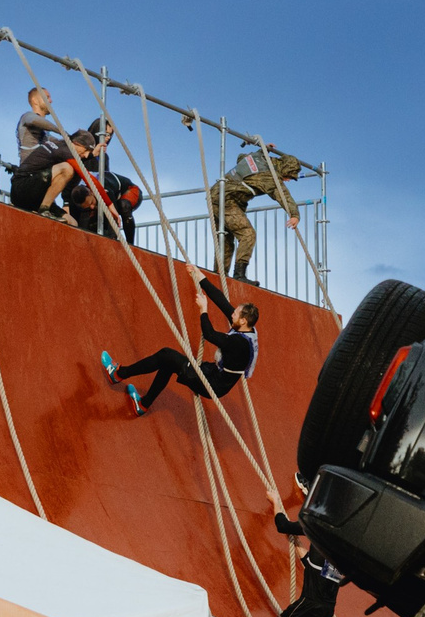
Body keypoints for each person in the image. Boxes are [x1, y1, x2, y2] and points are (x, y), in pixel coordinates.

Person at [100, 277, 258, 415]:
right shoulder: (248, 328)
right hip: (213, 373)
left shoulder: (239, 343)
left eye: (236, 314)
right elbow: (221, 301)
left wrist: (203, 310)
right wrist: (199, 276)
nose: (232, 315)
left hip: (211, 383)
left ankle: (118, 373)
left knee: (166, 354)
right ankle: (143, 405)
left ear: (243, 320)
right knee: (168, 363)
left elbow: (209, 334)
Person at [215, 144, 304, 282]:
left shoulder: (259, 157)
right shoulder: (270, 178)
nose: (288, 180)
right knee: (247, 234)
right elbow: (284, 196)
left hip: (217, 195)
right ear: (284, 169)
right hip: (227, 201)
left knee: (226, 239)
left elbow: (242, 158)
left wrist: (264, 149)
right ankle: (239, 275)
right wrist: (294, 215)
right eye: (289, 176)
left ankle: (218, 275)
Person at [10, 86, 82, 214]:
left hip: (43, 184)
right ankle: (43, 209)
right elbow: (35, 121)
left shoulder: (47, 136)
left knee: (71, 222)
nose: (51, 101)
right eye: (47, 97)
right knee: (66, 168)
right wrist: (61, 131)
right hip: (29, 179)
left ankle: (46, 207)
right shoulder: (27, 117)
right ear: (35, 100)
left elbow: (64, 145)